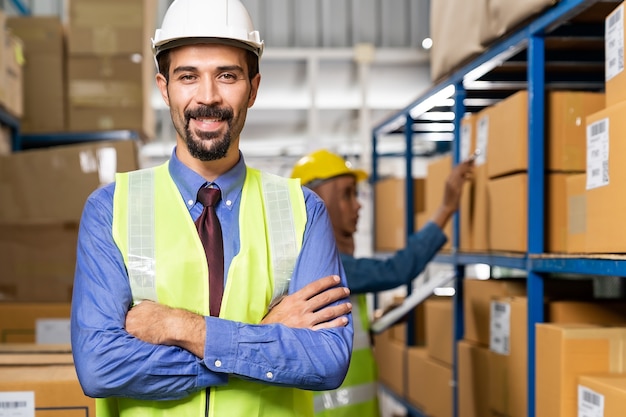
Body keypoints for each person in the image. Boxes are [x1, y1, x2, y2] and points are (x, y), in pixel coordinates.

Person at [70, 1, 353, 416]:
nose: (208, 97)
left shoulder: (303, 211)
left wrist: (183, 329)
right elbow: (99, 367)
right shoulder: (111, 210)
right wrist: (263, 338)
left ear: (253, 88)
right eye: (188, 76)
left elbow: (327, 361)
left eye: (227, 75)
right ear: (164, 88)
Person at [290, 149, 474, 417]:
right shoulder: (325, 265)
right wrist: (446, 208)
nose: (358, 204)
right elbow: (396, 270)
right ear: (319, 202)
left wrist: (372, 323)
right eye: (347, 194)